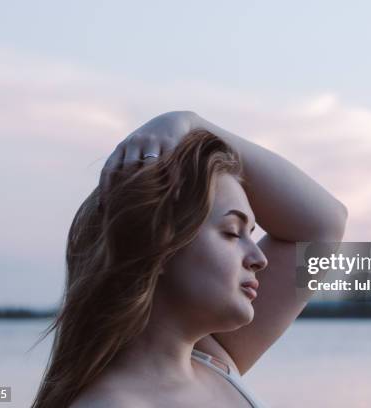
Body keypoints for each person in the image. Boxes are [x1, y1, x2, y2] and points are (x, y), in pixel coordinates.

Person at [31, 111, 348, 407]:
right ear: (160, 245)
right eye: (232, 233)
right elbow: (321, 228)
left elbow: (324, 224)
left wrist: (189, 123)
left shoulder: (215, 362)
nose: (258, 258)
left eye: (251, 233)